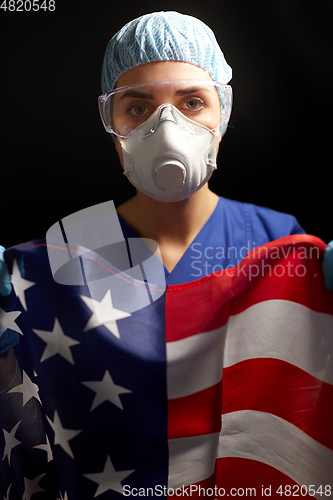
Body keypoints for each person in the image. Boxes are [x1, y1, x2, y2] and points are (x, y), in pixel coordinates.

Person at [0, 11, 333, 498]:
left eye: (192, 102)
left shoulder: (276, 243)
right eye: (137, 108)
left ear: (223, 114)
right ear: (109, 124)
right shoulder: (64, 253)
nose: (167, 127)